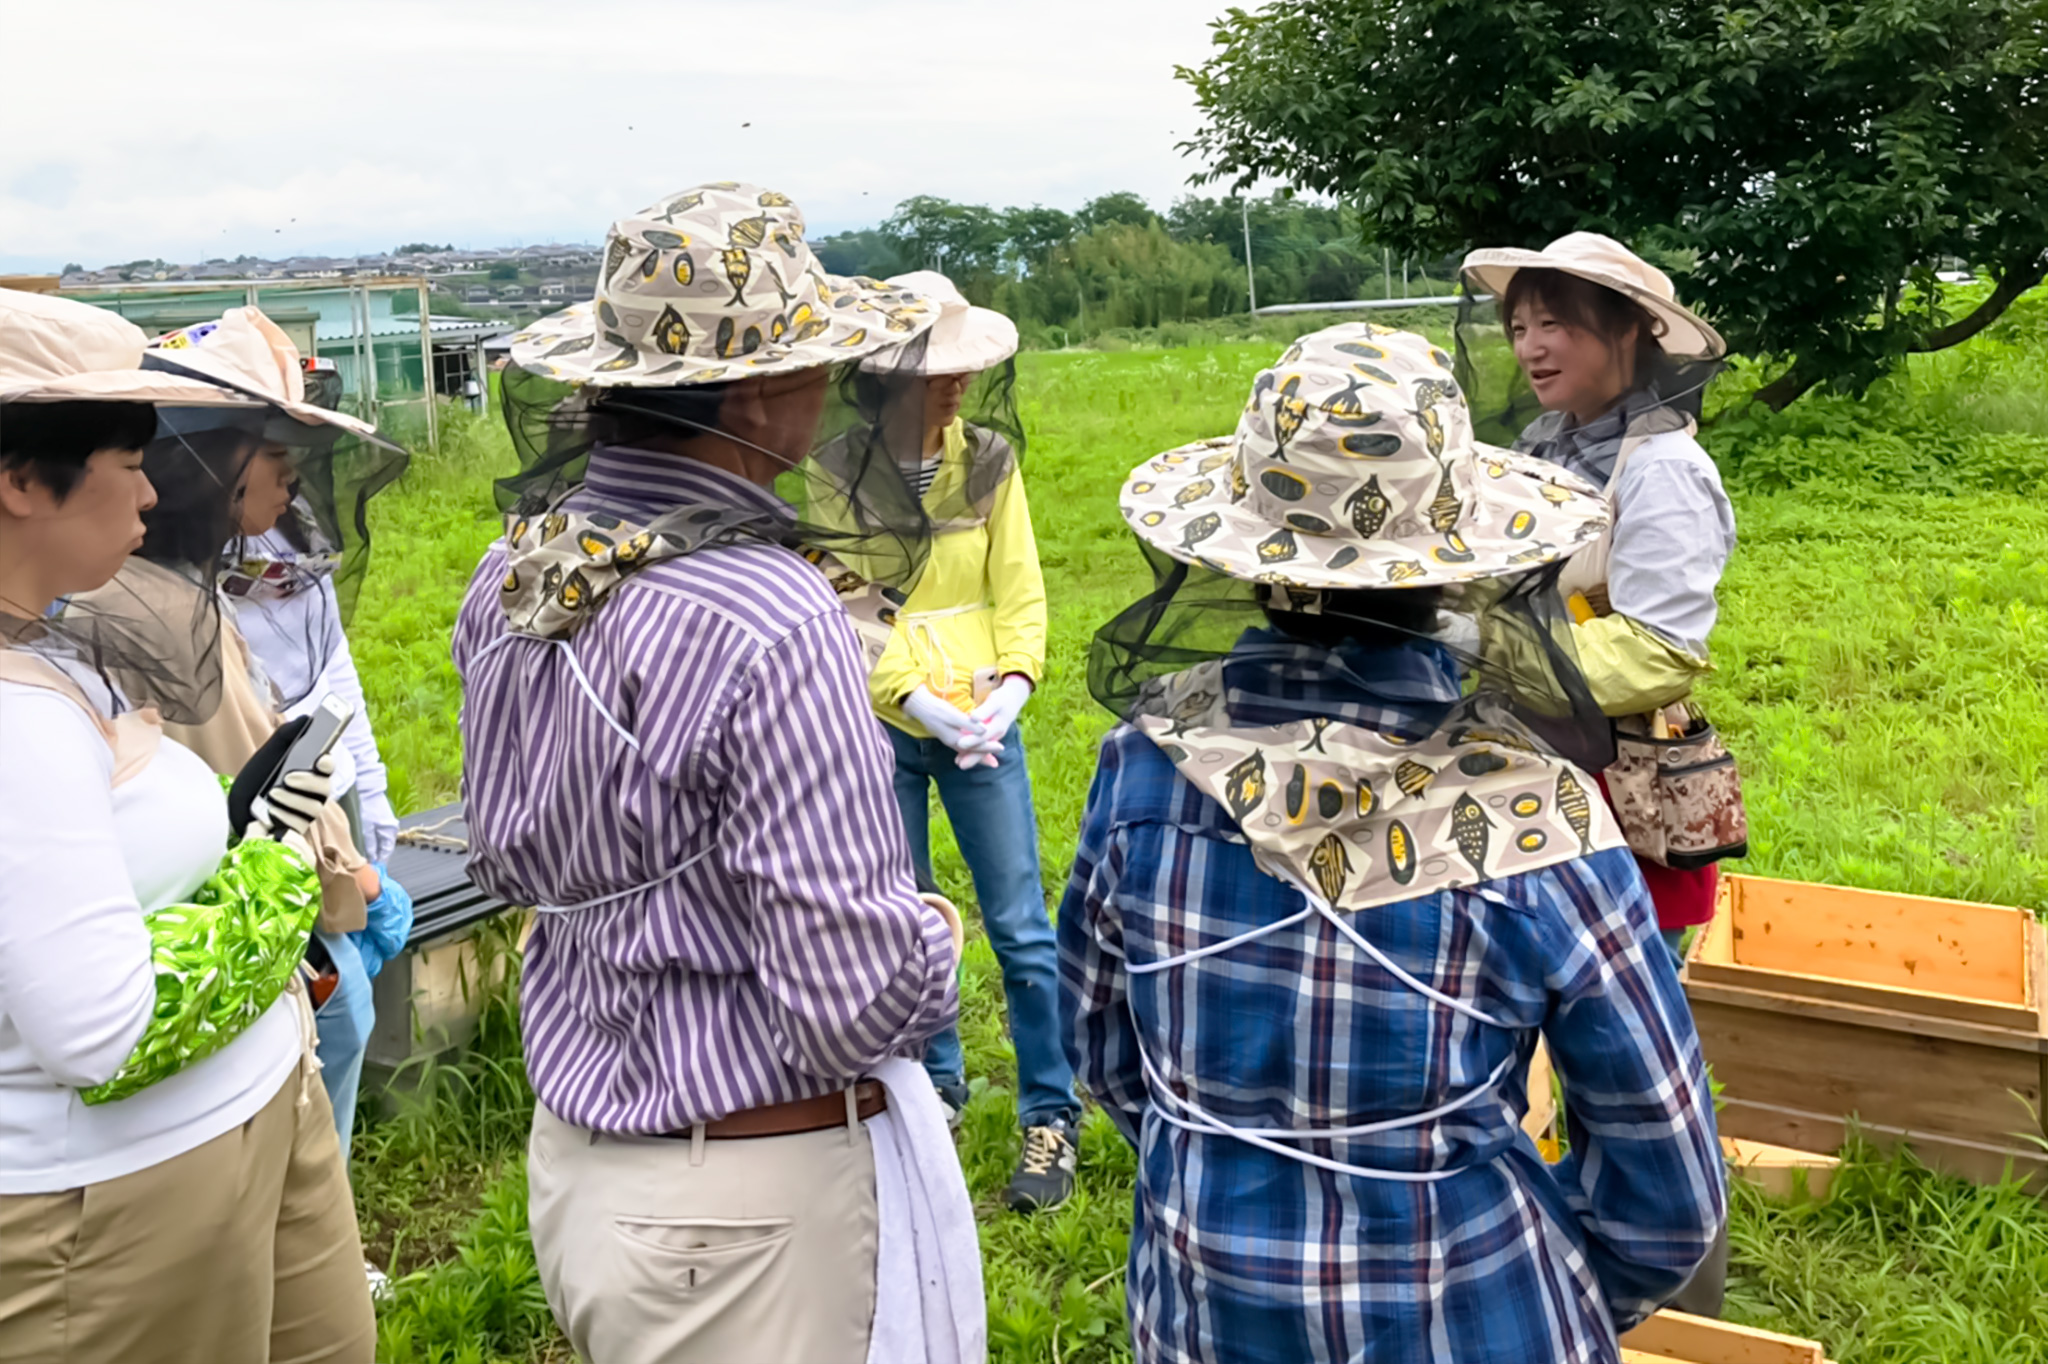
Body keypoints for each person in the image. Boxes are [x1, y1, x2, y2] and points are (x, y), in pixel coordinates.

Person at [1059, 324, 1725, 1363]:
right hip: (1471, 1316)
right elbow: (1668, 1186)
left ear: (1246, 552)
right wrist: (1544, 1280)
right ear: (1452, 569)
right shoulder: (1532, 812)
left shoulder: (1140, 769)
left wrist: (1241, 1171)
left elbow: (1102, 1053)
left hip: (1198, 1312)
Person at [453, 184, 981, 1364]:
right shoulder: (771, 613)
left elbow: (505, 849)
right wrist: (933, 935)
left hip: (584, 1164)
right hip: (744, 1206)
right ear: (756, 391)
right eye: (812, 362)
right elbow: (845, 996)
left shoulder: (515, 571)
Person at [0, 289, 375, 1360]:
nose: (156, 489)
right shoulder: (15, 717)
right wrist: (269, 868)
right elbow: (103, 1028)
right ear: (23, 479)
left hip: (232, 1128)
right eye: (129, 455)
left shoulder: (53, 640)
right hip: (121, 1206)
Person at [139, 308, 416, 1177]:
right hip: (251, 898)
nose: (293, 476)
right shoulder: (164, 613)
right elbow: (240, 781)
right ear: (207, 462)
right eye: (274, 452)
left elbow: (333, 700)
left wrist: (370, 819)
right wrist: (342, 875)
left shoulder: (271, 567)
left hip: (289, 877)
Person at [831, 269, 1081, 1211]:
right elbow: (842, 602)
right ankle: (935, 1088)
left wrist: (1014, 684)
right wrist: (907, 695)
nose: (952, 382)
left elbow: (1020, 585)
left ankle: (1049, 1112)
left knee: (1020, 928)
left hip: (981, 718)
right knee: (909, 918)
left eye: (959, 365)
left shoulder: (989, 461)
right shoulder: (836, 471)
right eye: (930, 365)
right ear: (882, 369)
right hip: (879, 723)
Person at [1461, 233, 1738, 967]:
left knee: (1622, 1017)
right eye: (1519, 328)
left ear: (1625, 330)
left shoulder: (1665, 471)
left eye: (1555, 324)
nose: (1531, 348)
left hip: (1620, 787)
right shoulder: (1542, 449)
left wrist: (1488, 651)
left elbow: (1660, 651)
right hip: (1526, 763)